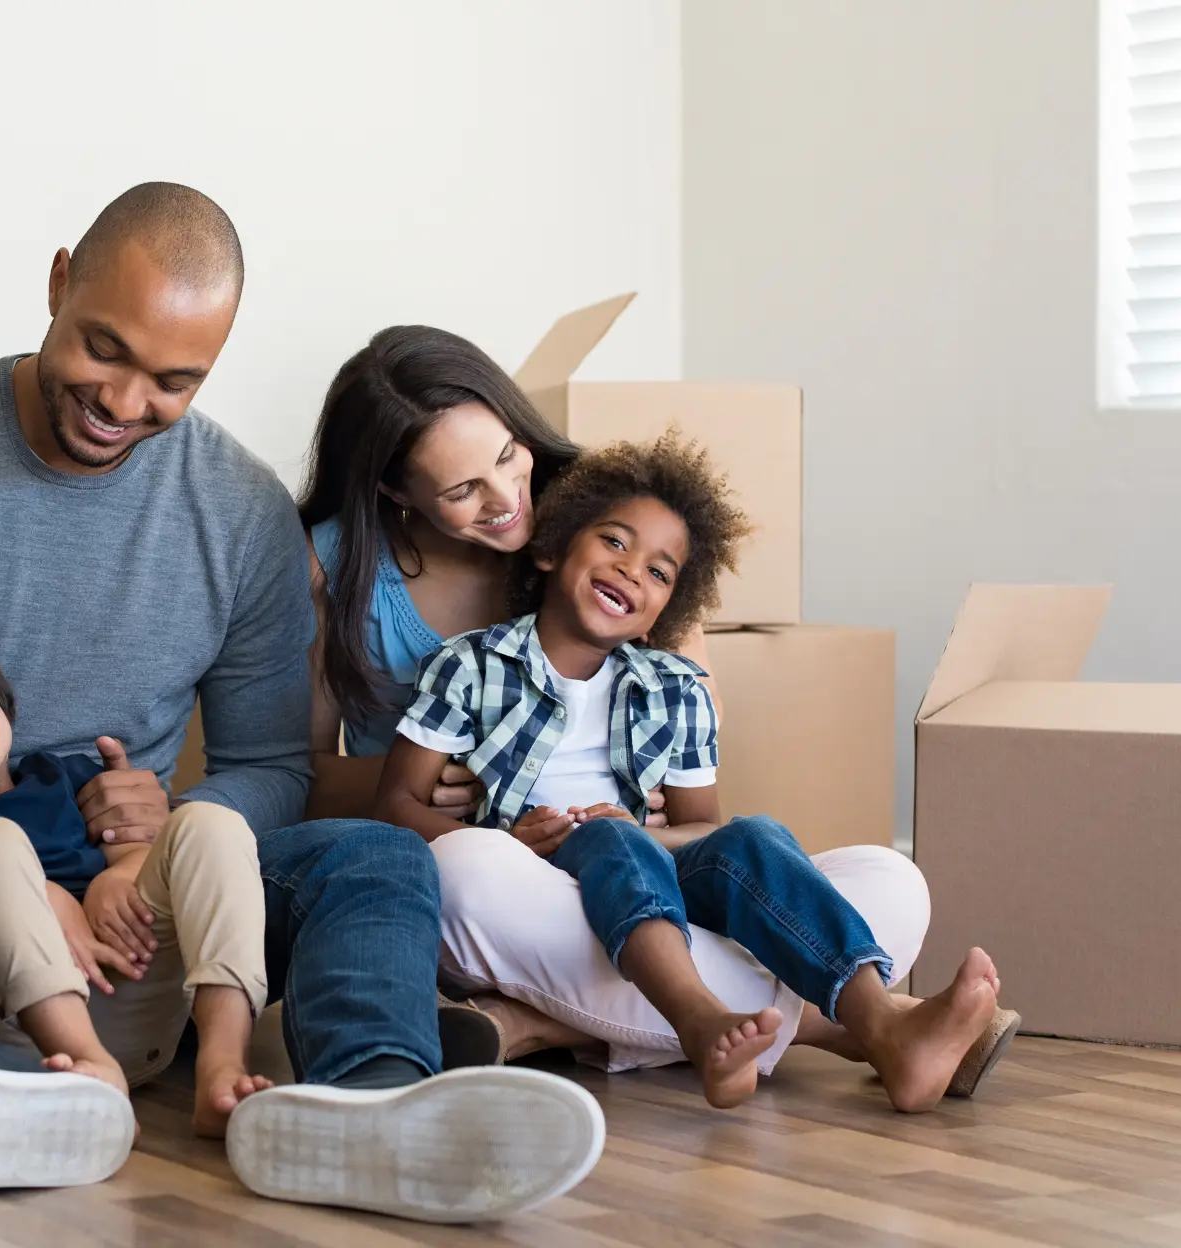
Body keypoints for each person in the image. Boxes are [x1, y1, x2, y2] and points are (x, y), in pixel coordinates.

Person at [0, 183, 603, 1221]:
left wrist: (162, 834)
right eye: (105, 349)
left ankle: (369, 1101)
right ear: (58, 283)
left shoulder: (239, 514)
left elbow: (272, 763)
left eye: (173, 381)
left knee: (375, 854)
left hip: (139, 912)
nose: (125, 401)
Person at [297, 325, 1018, 1093]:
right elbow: (303, 778)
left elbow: (698, 809)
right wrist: (463, 796)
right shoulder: (397, 612)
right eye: (462, 489)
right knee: (471, 870)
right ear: (396, 492)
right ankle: (845, 1029)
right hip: (500, 877)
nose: (511, 501)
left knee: (890, 881)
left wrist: (656, 835)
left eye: (508, 456)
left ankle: (540, 1024)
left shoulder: (618, 527)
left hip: (648, 871)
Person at [0, 624, 274, 1135]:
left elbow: (137, 848)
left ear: (3, 706)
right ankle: (89, 1067)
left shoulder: (63, 775)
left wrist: (117, 877)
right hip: (25, 1024)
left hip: (137, 989)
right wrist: (42, 895)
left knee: (211, 823)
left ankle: (222, 1067)